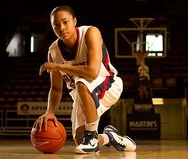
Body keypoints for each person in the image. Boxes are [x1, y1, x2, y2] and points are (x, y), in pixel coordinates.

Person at [35, 5, 136, 154]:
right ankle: (109, 137)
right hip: (82, 93)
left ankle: (92, 137)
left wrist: (59, 67)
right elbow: (56, 89)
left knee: (81, 81)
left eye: (65, 22)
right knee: (79, 140)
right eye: (56, 25)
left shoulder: (90, 32)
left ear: (74, 21)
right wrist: (50, 112)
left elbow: (92, 72)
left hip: (108, 83)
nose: (61, 27)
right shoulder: (53, 51)